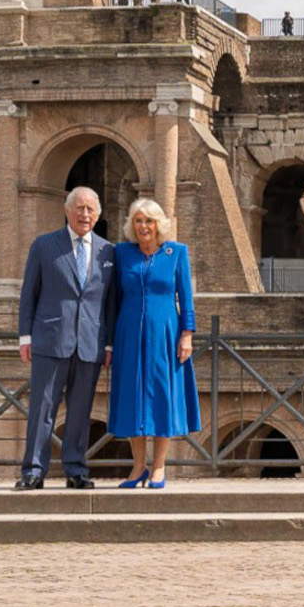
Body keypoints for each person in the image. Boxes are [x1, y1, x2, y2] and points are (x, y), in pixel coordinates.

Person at [16, 187, 116, 489]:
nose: (84, 214)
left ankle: (75, 469)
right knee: (42, 409)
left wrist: (109, 342)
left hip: (90, 344)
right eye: (79, 208)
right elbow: (28, 293)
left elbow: (110, 302)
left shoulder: (108, 251)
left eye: (90, 209)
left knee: (80, 412)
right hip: (50, 340)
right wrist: (25, 336)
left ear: (97, 215)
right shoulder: (44, 246)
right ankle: (33, 471)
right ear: (67, 211)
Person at [109, 198, 199, 489]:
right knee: (133, 395)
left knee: (163, 394)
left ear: (159, 224)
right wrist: (109, 341)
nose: (143, 226)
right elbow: (113, 300)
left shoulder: (176, 253)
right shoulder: (122, 253)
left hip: (165, 333)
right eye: (138, 220)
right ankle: (138, 467)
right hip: (129, 332)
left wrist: (187, 334)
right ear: (131, 225)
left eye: (149, 220)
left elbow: (186, 297)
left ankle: (159, 467)